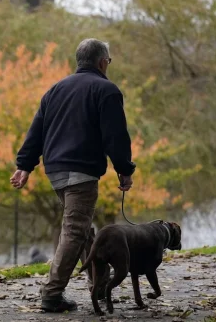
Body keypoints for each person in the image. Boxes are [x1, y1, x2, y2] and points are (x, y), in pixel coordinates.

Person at [9, 38, 136, 313]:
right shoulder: (106, 90)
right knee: (75, 230)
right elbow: (115, 137)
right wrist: (125, 170)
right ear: (103, 62)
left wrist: (24, 165)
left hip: (55, 170)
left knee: (81, 229)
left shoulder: (55, 90)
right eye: (109, 62)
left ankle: (100, 285)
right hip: (81, 172)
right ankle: (52, 294)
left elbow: (36, 131)